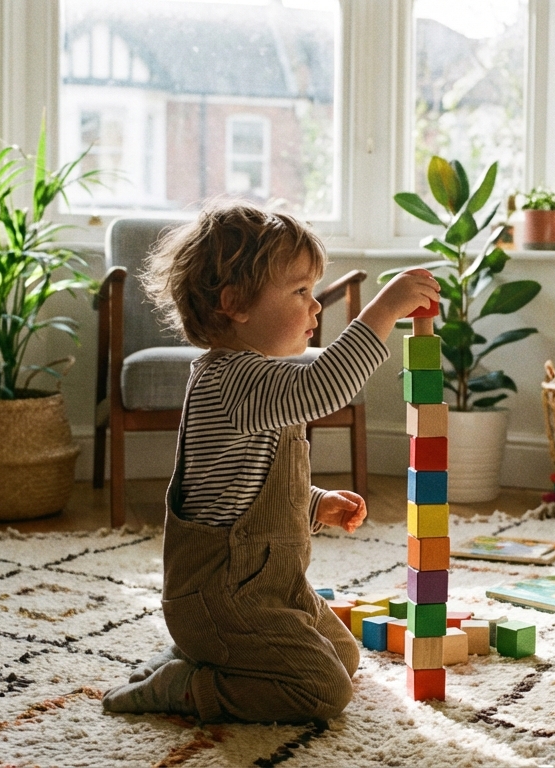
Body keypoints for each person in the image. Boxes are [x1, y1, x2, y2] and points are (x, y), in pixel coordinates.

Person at [101, 202, 439, 721]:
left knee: (344, 656)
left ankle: (205, 653)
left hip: (270, 587)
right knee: (323, 691)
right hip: (223, 599)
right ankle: (188, 684)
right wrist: (384, 310)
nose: (316, 306)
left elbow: (246, 491)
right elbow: (327, 385)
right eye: (300, 291)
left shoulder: (259, 379)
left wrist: (315, 502)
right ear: (235, 303)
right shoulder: (231, 380)